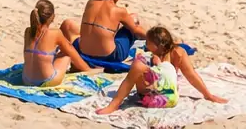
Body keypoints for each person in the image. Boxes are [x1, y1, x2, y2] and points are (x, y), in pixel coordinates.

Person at [96, 25, 227, 113]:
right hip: (160, 95)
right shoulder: (153, 54)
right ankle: (115, 103)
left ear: (158, 45)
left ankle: (114, 104)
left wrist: (208, 95)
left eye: (148, 42)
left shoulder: (177, 53)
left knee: (137, 65)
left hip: (162, 96)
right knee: (138, 65)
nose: (146, 45)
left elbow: (191, 75)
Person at [61, 0, 149, 67]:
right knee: (133, 19)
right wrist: (151, 39)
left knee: (68, 24)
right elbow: (136, 29)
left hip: (83, 52)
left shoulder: (90, 3)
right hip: (109, 56)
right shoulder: (119, 11)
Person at [25, 0, 93, 86]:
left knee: (48, 56)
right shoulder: (55, 33)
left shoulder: (28, 31)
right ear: (52, 17)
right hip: (46, 81)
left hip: (26, 79)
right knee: (67, 54)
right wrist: (88, 70)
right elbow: (70, 50)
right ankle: (83, 69)